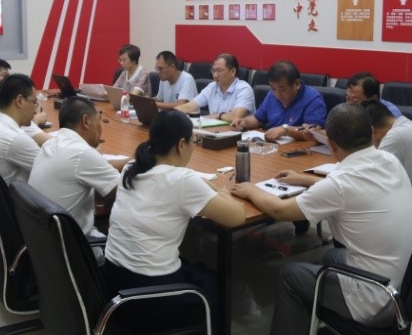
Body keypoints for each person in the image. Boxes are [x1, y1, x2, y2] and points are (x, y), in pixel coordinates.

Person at [232, 104, 412, 334]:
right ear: (372, 132)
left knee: (290, 276)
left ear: (331, 144)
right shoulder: (389, 160)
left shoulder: (340, 184)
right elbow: (352, 187)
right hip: (410, 286)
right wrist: (304, 179)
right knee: (331, 256)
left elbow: (281, 211)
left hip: (376, 302)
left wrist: (250, 190)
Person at [103, 109, 245, 331]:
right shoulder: (181, 180)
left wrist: (199, 183)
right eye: (193, 142)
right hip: (149, 299)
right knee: (216, 284)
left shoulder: (132, 168)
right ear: (181, 144)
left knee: (192, 265)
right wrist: (222, 192)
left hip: (113, 285)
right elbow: (237, 216)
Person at [29, 97, 125, 261]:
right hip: (73, 251)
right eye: (99, 121)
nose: (100, 128)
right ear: (86, 121)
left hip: (44, 244)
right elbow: (123, 194)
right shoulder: (82, 153)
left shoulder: (51, 143)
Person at [231, 60, 326, 142]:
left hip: (301, 150)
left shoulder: (313, 99)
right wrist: (244, 122)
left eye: (282, 90)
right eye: (273, 88)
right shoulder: (271, 95)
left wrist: (286, 130)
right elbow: (257, 119)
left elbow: (313, 132)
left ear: (297, 84)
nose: (277, 94)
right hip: (273, 146)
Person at [0, 74, 42, 184]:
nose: (35, 110)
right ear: (19, 101)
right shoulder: (15, 138)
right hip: (9, 194)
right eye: (34, 102)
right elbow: (51, 170)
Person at [176, 53, 255, 122]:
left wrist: (219, 116)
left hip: (238, 132)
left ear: (233, 71)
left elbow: (236, 117)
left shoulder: (244, 89)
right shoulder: (212, 87)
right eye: (214, 70)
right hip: (215, 131)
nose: (215, 75)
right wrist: (171, 113)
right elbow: (189, 106)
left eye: (219, 71)